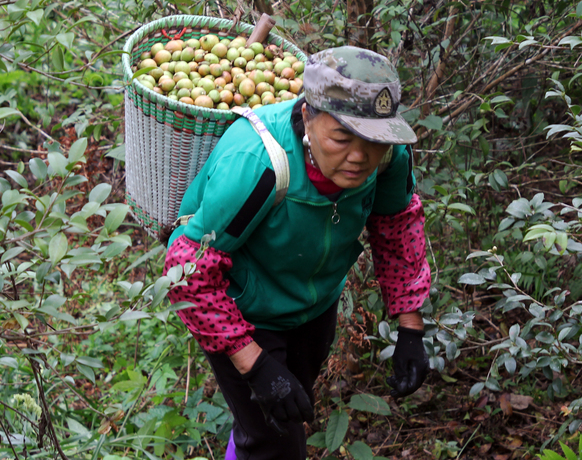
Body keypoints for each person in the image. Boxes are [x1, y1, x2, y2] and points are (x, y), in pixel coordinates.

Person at [164, 46, 431, 460]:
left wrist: (410, 327)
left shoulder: (388, 156)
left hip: (314, 306)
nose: (359, 158)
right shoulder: (258, 163)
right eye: (342, 138)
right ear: (307, 116)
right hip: (240, 311)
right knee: (279, 444)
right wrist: (256, 365)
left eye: (373, 142)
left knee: (279, 416)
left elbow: (396, 225)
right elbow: (188, 272)